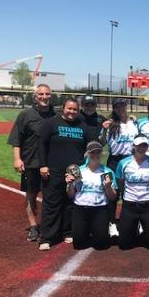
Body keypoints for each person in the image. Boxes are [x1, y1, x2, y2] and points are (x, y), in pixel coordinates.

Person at [38, 97, 92, 251]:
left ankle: (67, 231)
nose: (72, 112)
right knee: (51, 203)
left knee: (70, 203)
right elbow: (41, 144)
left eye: (75, 109)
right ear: (63, 108)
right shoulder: (51, 123)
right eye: (69, 109)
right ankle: (47, 237)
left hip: (75, 172)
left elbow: (90, 145)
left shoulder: (82, 126)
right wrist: (43, 165)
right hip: (53, 171)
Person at [7, 83, 55, 242]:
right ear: (35, 96)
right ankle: (34, 226)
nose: (44, 97)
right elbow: (16, 139)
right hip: (31, 163)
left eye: (47, 94)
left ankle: (50, 226)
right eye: (41, 94)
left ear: (51, 95)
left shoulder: (56, 114)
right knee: (31, 195)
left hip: (50, 163)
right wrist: (17, 158)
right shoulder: (25, 114)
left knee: (51, 197)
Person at [115, 134, 149, 250]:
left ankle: (145, 227)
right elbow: (120, 182)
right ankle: (134, 228)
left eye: (144, 146)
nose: (141, 148)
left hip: (148, 205)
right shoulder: (123, 163)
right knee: (124, 245)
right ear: (133, 146)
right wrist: (127, 195)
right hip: (130, 205)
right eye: (138, 146)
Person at [65, 141, 117, 249]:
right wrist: (70, 184)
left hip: (100, 210)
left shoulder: (107, 172)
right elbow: (71, 195)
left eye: (98, 152)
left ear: (102, 154)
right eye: (92, 153)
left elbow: (113, 197)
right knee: (78, 245)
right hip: (80, 210)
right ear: (87, 154)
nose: (95, 155)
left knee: (101, 245)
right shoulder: (78, 171)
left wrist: (108, 186)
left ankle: (96, 229)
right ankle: (87, 229)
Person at [99, 97, 139, 236]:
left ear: (126, 106)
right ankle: (111, 223)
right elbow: (101, 143)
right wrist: (104, 130)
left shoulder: (134, 122)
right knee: (113, 194)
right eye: (117, 106)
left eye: (123, 105)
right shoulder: (110, 124)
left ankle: (133, 221)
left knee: (131, 192)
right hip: (114, 161)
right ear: (114, 108)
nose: (120, 108)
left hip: (130, 161)